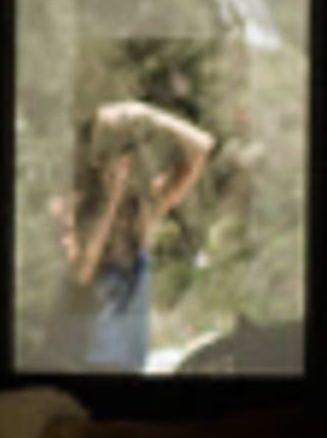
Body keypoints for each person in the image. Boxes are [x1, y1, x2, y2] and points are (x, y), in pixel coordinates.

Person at [53, 93, 218, 373]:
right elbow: (83, 269)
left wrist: (146, 115)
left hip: (129, 370)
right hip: (83, 370)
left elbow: (202, 147)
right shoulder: (72, 211)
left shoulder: (143, 212)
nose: (119, 161)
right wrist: (112, 197)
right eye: (111, 152)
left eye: (125, 150)